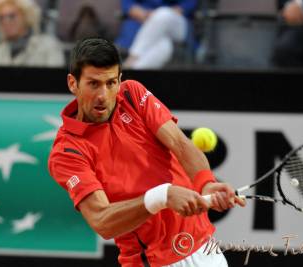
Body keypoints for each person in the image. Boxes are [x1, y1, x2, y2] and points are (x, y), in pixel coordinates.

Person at [48, 37, 245, 266]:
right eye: (93, 84)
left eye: (111, 83)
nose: (103, 95)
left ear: (120, 80)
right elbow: (102, 220)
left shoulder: (132, 94)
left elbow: (180, 144)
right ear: (73, 84)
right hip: (153, 261)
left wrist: (205, 182)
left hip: (206, 250)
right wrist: (161, 196)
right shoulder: (67, 151)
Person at [116, 0, 197, 69]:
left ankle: (133, 57)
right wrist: (143, 14)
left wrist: (154, 16)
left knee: (163, 14)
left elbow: (188, 4)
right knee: (164, 46)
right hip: (141, 21)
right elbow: (128, 3)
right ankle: (129, 76)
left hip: (176, 23)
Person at [0, 0, 65, 67]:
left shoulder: (49, 47)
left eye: (12, 16)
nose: (6, 21)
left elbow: (55, 83)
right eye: (1, 18)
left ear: (26, 16)